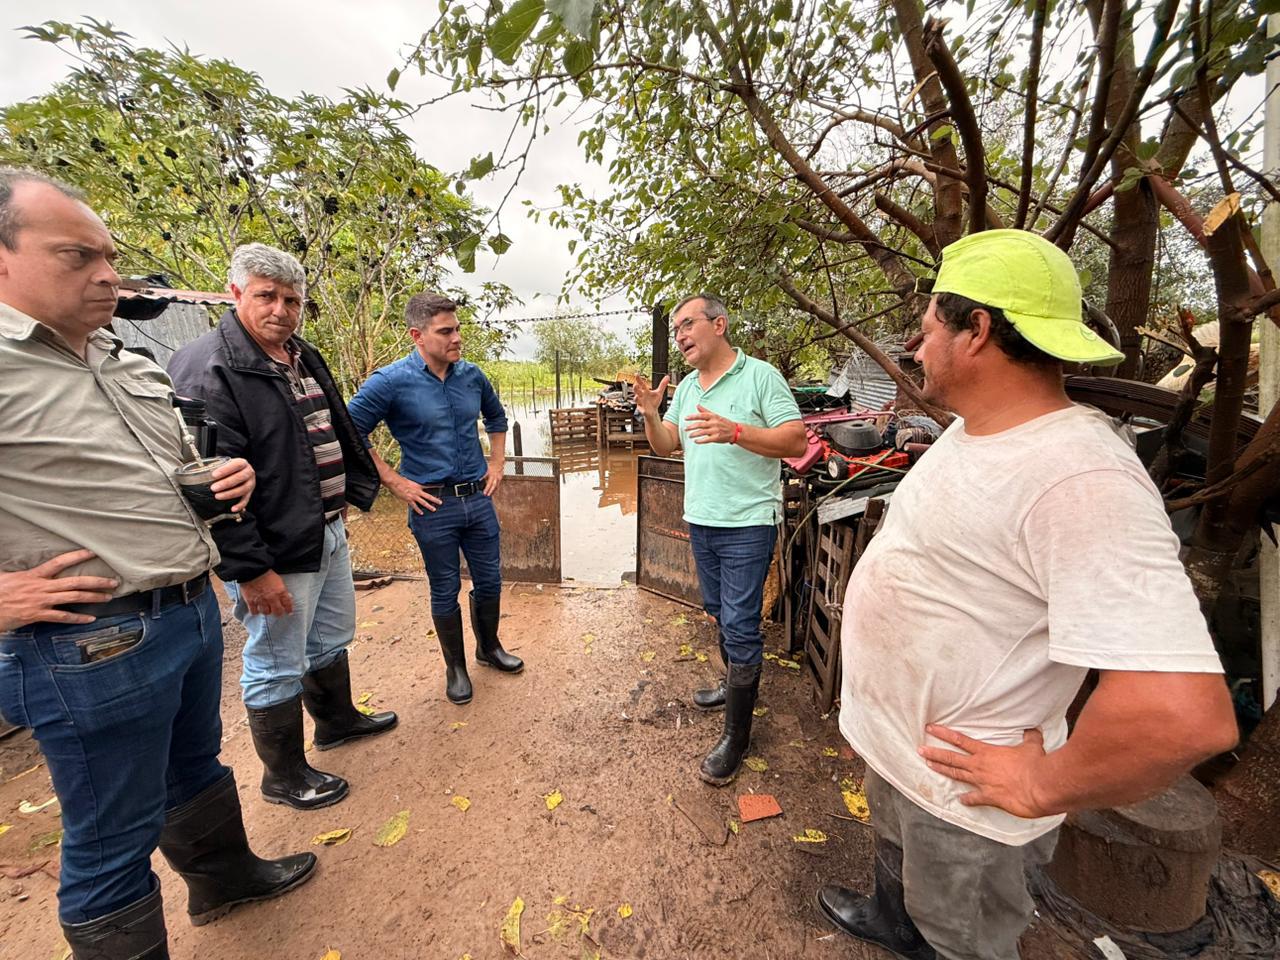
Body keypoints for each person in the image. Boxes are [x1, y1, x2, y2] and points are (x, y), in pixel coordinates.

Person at [820, 229, 1239, 960]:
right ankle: (895, 920)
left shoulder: (1081, 478)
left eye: (926, 332)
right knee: (903, 866)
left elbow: (1184, 715)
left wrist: (1044, 784)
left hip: (966, 804)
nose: (916, 352)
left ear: (976, 330)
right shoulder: (981, 431)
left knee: (967, 937)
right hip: (908, 757)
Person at [0, 168, 316, 960]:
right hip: (89, 641)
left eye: (108, 255)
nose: (106, 273)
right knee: (112, 836)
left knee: (194, 764)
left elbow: (172, 472)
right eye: (77, 255)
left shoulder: (126, 361)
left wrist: (218, 482)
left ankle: (224, 879)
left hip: (186, 611)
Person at [168, 243, 395, 812]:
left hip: (322, 528)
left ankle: (336, 722)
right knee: (275, 657)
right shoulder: (209, 368)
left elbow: (330, 427)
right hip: (273, 549)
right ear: (236, 293)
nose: (281, 310)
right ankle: (284, 773)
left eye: (292, 300)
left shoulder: (298, 353)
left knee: (329, 634)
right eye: (267, 296)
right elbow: (206, 486)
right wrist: (250, 570)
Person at [634, 294, 806, 785]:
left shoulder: (760, 376)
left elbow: (796, 442)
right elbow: (667, 445)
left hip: (748, 521)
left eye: (689, 324)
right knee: (718, 612)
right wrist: (650, 414)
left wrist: (735, 431)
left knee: (741, 623)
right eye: (677, 329)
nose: (682, 335)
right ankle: (735, 687)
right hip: (702, 518)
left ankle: (738, 736)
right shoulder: (688, 387)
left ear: (720, 325)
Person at [348, 292, 521, 706]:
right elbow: (352, 428)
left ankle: (489, 648)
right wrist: (393, 481)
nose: (457, 337)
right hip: (432, 505)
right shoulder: (390, 382)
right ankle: (455, 668)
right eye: (446, 331)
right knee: (444, 589)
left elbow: (497, 418)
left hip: (477, 499)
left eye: (458, 328)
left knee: (491, 580)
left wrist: (496, 464)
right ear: (418, 335)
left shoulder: (472, 376)